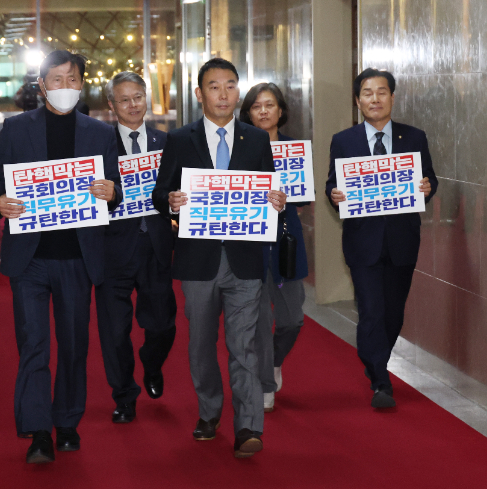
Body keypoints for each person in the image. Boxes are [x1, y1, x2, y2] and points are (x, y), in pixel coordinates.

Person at [0, 50, 122, 464]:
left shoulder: (100, 133)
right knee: (33, 344)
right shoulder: (15, 128)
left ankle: (66, 423)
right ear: (42, 84)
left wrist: (110, 193)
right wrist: (0, 203)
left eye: (72, 79)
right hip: (29, 257)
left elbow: (114, 188)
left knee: (73, 343)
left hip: (77, 258)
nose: (65, 86)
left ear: (82, 84)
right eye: (56, 79)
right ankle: (38, 432)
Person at [152, 58, 287, 458]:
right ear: (200, 94)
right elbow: (160, 194)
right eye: (215, 86)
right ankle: (209, 411)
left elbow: (268, 191)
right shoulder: (180, 139)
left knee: (244, 344)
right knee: (200, 344)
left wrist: (275, 200)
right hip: (198, 260)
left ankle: (248, 426)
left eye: (231, 85)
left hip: (245, 258)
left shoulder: (257, 140)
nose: (224, 94)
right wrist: (171, 201)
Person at [326, 68, 438, 409]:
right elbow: (333, 182)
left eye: (382, 92)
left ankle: (376, 360)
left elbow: (429, 178)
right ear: (358, 101)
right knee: (372, 310)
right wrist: (335, 193)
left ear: (392, 96)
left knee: (393, 313)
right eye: (368, 93)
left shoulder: (414, 137)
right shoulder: (344, 140)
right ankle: (379, 378)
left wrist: (427, 188)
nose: (375, 99)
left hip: (402, 239)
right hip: (363, 241)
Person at [95, 71, 176, 424]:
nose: (132, 105)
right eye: (124, 99)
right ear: (111, 105)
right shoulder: (99, 143)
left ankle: (152, 362)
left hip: (156, 246)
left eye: (138, 97)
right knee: (114, 332)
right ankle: (124, 395)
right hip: (112, 248)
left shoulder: (168, 142)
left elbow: (179, 190)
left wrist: (176, 202)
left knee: (162, 326)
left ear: (147, 99)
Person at [238, 83, 309, 412]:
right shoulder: (238, 149)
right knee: (258, 320)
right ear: (248, 113)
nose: (263, 111)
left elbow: (306, 196)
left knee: (292, 319)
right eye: (256, 106)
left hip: (286, 240)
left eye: (270, 105)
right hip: (250, 239)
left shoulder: (296, 149)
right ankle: (266, 382)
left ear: (281, 111)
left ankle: (275, 362)